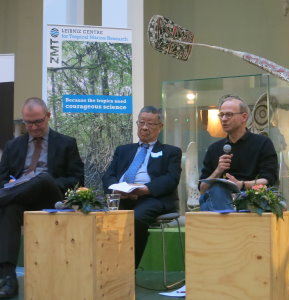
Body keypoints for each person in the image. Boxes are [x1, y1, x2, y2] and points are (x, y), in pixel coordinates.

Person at [0, 97, 84, 298]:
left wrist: (48, 182)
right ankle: (9, 278)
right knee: (10, 210)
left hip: (51, 197)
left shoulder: (66, 143)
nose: (34, 127)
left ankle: (35, 182)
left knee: (42, 178)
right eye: (28, 123)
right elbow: (2, 180)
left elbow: (77, 179)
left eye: (38, 121)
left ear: (48, 116)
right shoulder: (13, 146)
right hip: (19, 199)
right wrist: (14, 185)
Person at [102, 106, 182, 268]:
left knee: (136, 218)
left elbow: (171, 179)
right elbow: (108, 175)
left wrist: (145, 189)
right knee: (99, 216)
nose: (145, 127)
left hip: (153, 198)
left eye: (151, 124)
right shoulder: (123, 150)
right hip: (122, 197)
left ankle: (128, 269)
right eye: (142, 122)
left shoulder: (171, 152)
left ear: (160, 127)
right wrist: (115, 189)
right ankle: (105, 266)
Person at [199, 94, 278, 211]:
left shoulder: (262, 143)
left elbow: (268, 180)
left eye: (229, 115)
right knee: (217, 190)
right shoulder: (214, 149)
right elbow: (202, 189)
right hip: (219, 200)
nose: (224, 119)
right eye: (221, 115)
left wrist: (242, 184)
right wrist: (218, 170)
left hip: (252, 199)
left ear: (244, 117)